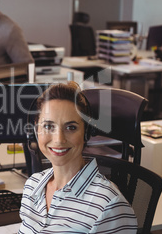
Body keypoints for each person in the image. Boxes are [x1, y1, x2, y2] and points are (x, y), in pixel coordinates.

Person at [19, 82, 137, 233]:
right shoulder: (32, 186)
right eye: (48, 126)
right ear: (36, 129)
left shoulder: (108, 205)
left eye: (71, 127)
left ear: (86, 132)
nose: (59, 139)